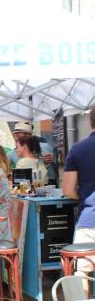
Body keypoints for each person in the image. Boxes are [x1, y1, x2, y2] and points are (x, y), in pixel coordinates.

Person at [63, 105, 95, 284]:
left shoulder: (78, 149)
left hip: (89, 221)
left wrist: (83, 195)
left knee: (81, 272)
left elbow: (67, 189)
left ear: (91, 122)